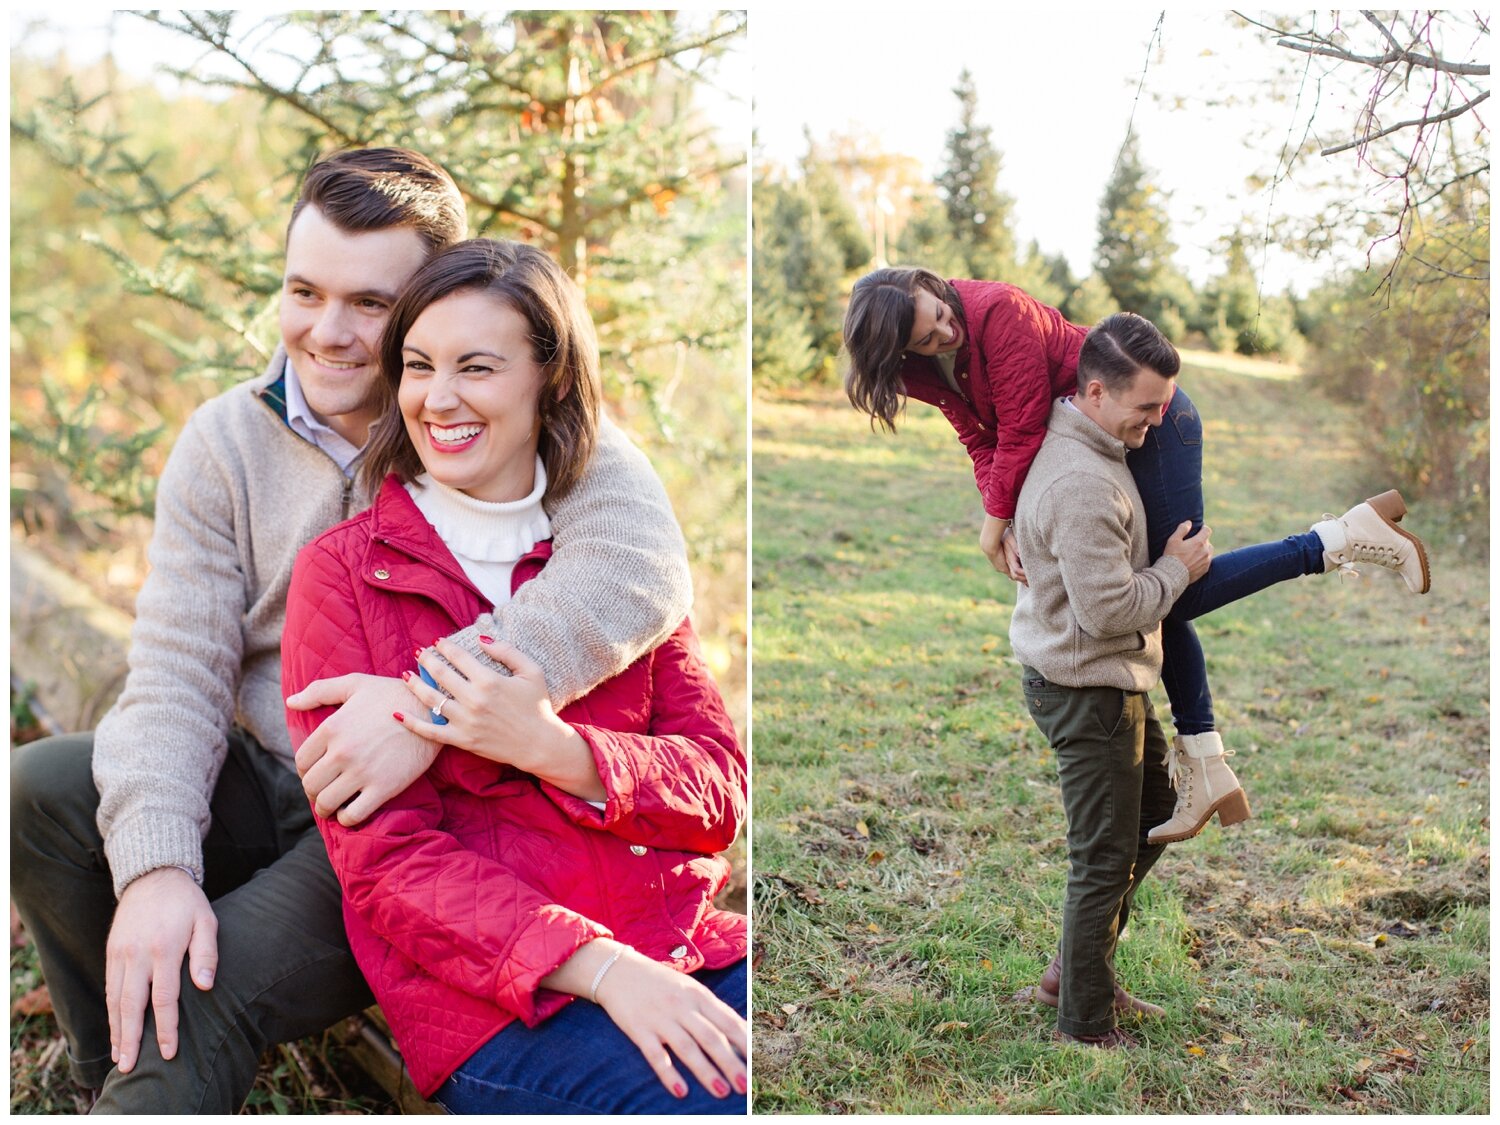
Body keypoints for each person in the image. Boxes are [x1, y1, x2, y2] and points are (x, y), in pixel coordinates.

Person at [10, 148, 696, 1114]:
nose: (325, 334)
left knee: (208, 987)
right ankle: (111, 1078)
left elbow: (640, 568)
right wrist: (159, 871)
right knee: (40, 789)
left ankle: (156, 1077)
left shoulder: (494, 414)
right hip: (273, 774)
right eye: (303, 291)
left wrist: (423, 708)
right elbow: (176, 670)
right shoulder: (226, 442)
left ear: (436, 297)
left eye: (370, 306)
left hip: (402, 822)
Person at [281, 237, 748, 1113]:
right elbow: (388, 868)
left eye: (478, 366)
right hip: (505, 1001)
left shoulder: (614, 560)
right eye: (418, 366)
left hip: (688, 944)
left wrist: (560, 749)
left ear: (552, 380)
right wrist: (608, 972)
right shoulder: (343, 574)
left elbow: (721, 791)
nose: (439, 398)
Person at [841, 268, 1431, 843]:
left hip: (1149, 416)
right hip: (1097, 432)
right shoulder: (914, 369)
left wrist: (993, 528)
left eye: (942, 314)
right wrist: (1006, 520)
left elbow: (1019, 431)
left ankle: (1339, 538)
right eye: (926, 338)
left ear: (937, 287)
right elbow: (980, 437)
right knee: (1161, 591)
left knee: (1181, 584)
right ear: (899, 349)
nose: (945, 334)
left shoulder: (999, 313)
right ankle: (1204, 761)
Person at [1008, 313, 1202, 1047]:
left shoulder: (1092, 442)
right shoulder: (1083, 484)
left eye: (1164, 405)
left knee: (1155, 808)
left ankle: (1079, 968)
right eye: (1147, 407)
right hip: (1088, 689)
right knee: (1102, 856)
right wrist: (1175, 572)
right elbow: (1110, 609)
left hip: (1103, 679)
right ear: (1094, 391)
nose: (1158, 420)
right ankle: (1084, 1020)